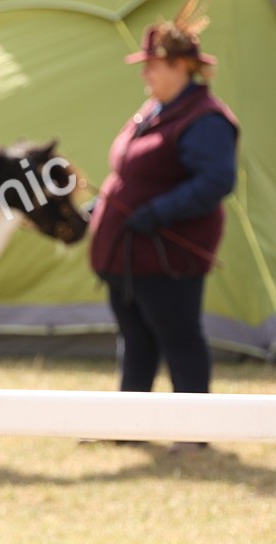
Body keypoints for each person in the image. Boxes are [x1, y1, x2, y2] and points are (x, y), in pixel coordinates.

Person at [88, 6, 239, 452]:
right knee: (136, 339)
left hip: (168, 255)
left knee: (180, 338)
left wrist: (158, 211)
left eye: (153, 66)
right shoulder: (155, 109)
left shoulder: (205, 118)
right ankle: (128, 427)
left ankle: (193, 435)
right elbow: (131, 171)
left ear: (180, 66)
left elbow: (216, 180)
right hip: (130, 254)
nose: (145, 74)